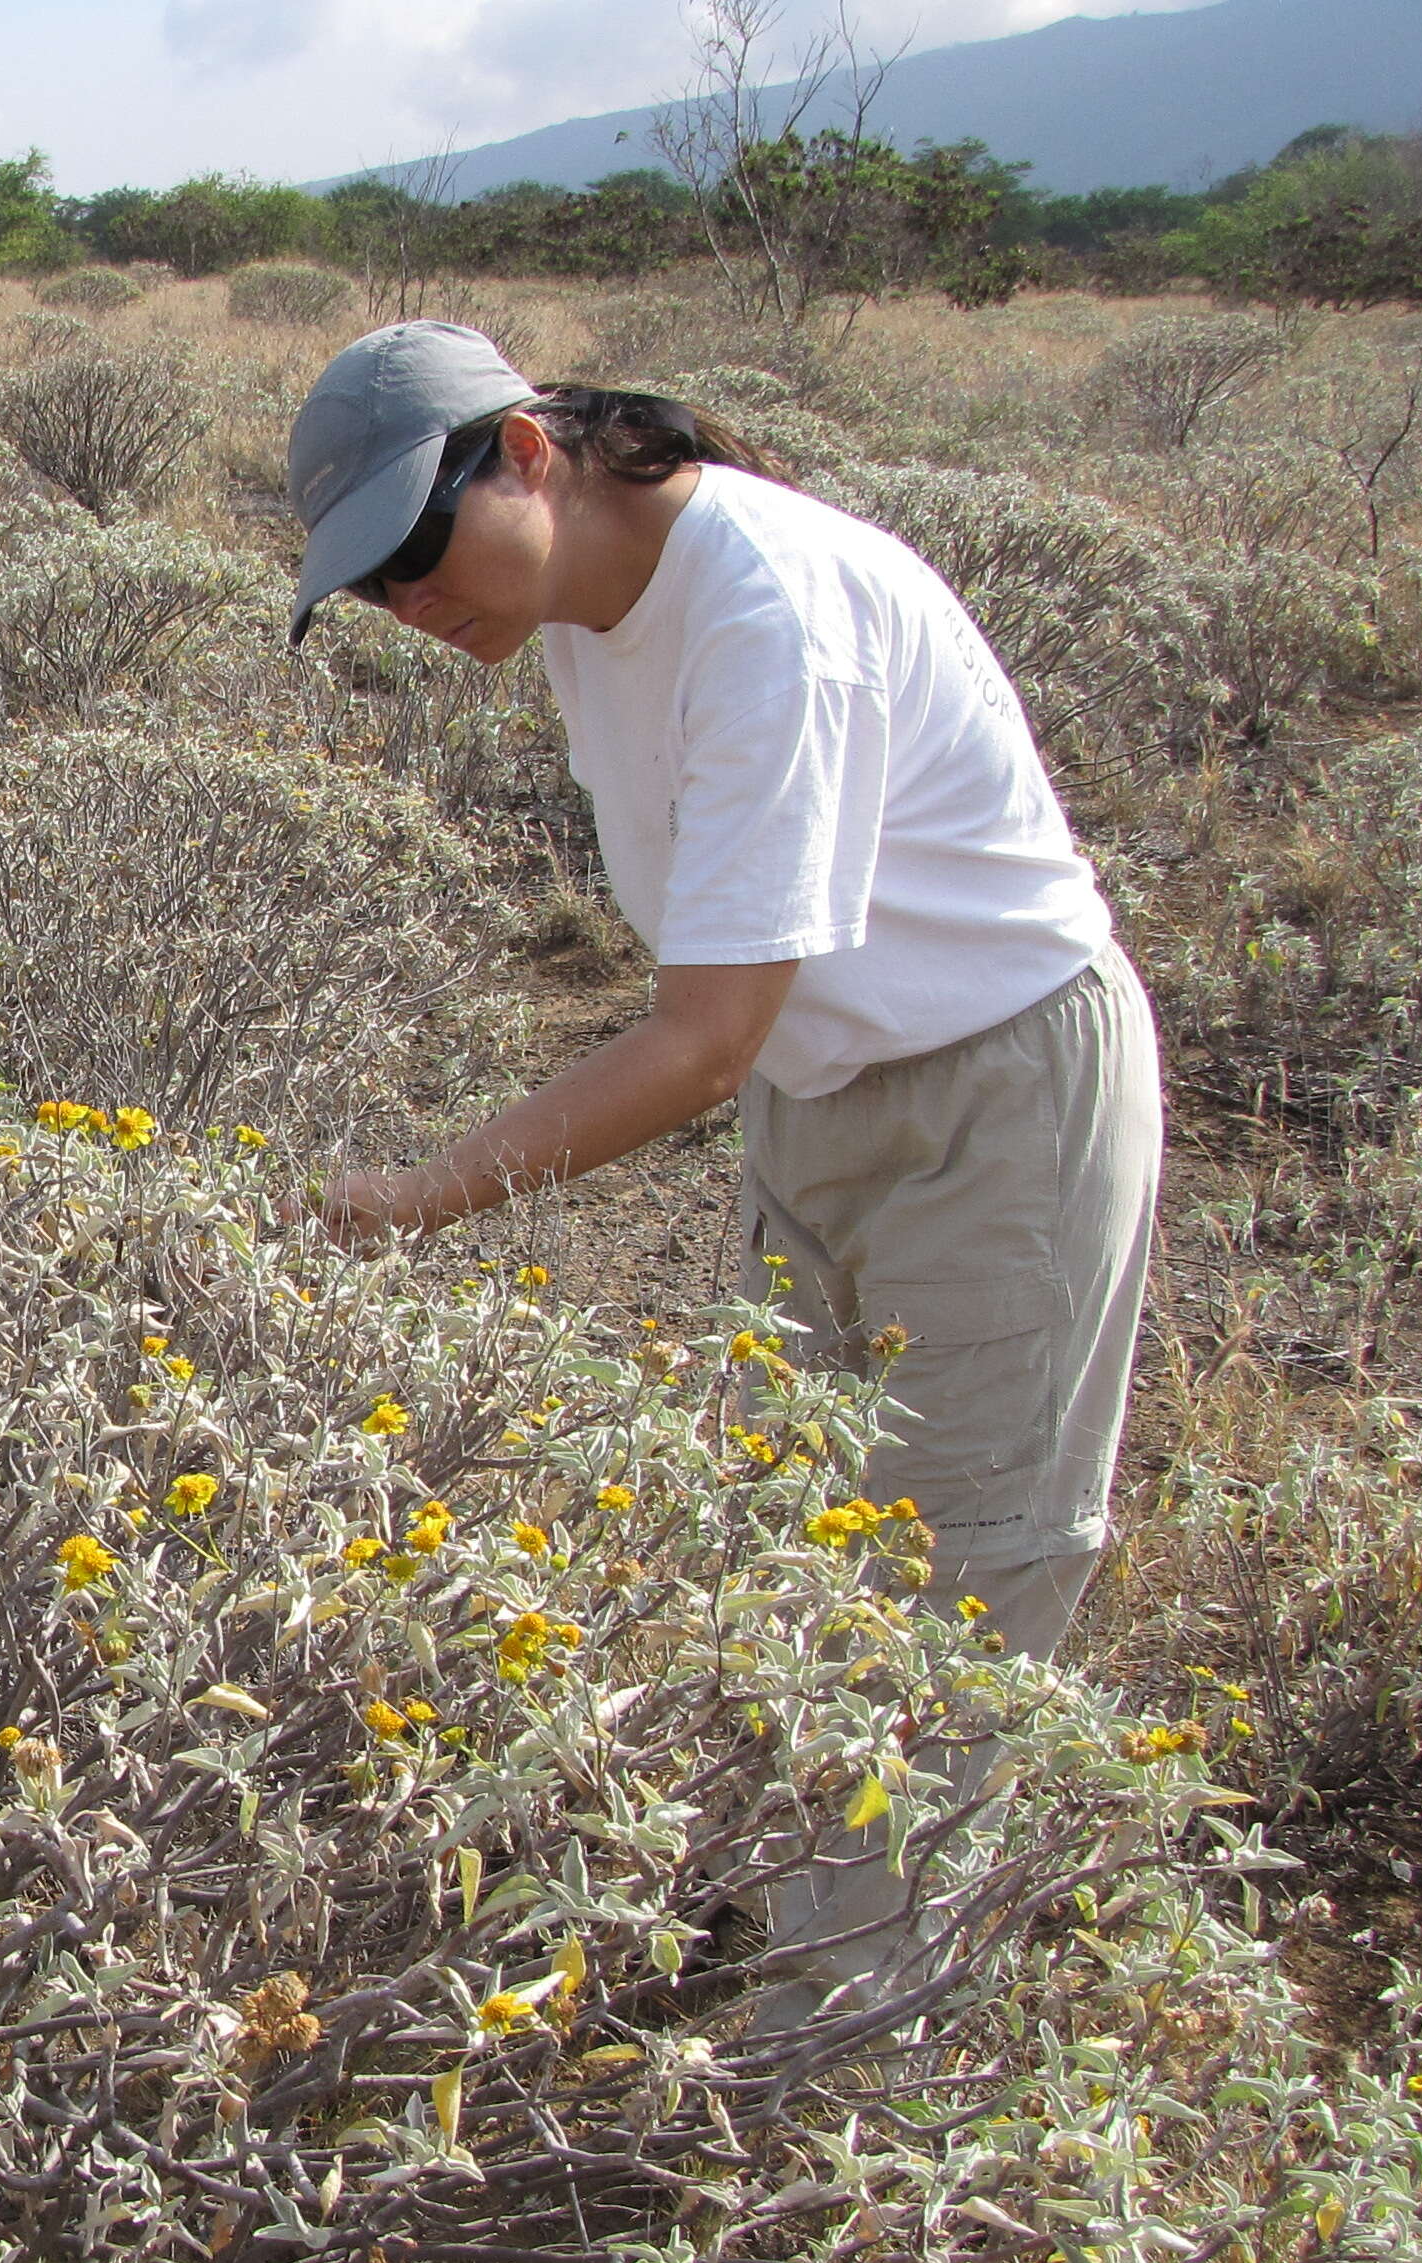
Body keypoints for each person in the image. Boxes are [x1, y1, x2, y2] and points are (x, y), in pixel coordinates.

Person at [284, 321, 1162, 2031]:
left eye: (413, 548)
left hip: (996, 1094)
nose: (409, 603)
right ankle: (781, 1916)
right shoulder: (577, 606)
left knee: (966, 1574)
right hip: (829, 1091)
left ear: (529, 452)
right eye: (369, 582)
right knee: (792, 1530)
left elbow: (700, 1037)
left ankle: (838, 2076)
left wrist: (413, 1197)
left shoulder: (766, 603)